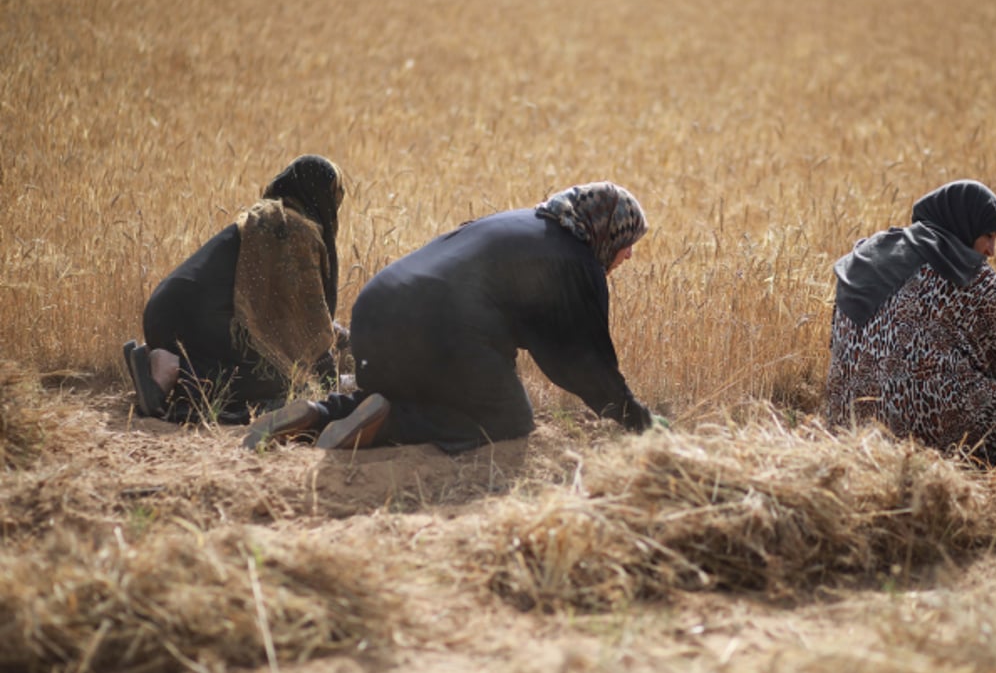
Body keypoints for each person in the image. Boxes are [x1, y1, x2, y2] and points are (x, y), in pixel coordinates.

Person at [244, 181, 658, 454]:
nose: (629, 255)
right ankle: (391, 426)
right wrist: (641, 423)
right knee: (508, 417)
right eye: (628, 241)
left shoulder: (521, 223)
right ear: (608, 230)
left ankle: (321, 413)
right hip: (436, 331)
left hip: (373, 317)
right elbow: (585, 364)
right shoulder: (575, 260)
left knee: (434, 392)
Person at [825, 179, 996, 476]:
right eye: (988, 236)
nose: (991, 250)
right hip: (929, 428)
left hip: (850, 429)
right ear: (964, 224)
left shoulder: (860, 259)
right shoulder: (967, 271)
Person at [123, 154, 348, 425]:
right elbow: (307, 328)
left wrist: (339, 336)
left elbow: (287, 314)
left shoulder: (264, 219)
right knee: (281, 381)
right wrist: (331, 376)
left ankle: (159, 362)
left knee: (269, 359)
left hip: (164, 314)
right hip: (195, 325)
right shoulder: (296, 231)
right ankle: (177, 373)